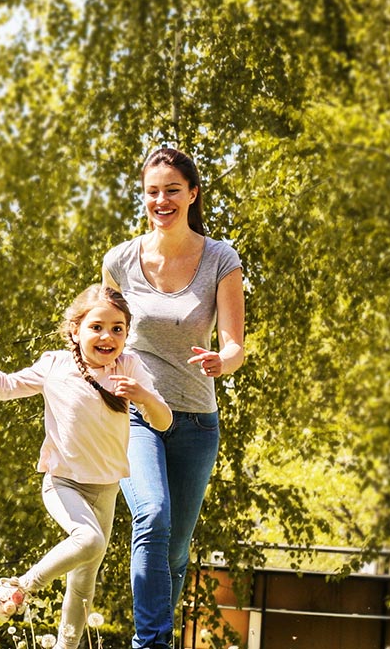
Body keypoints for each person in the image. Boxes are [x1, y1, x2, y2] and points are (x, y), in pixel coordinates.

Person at [0, 285, 171, 649]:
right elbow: (4, 387)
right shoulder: (55, 365)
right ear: (75, 330)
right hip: (63, 484)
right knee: (89, 539)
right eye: (97, 327)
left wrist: (142, 397)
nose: (107, 336)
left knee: (83, 582)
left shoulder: (129, 367)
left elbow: (163, 421)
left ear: (127, 334)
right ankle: (20, 586)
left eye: (118, 328)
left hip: (106, 489)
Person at [101, 146, 247, 649]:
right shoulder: (119, 260)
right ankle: (153, 643)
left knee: (176, 551)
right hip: (137, 410)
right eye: (152, 191)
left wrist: (220, 362)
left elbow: (234, 346)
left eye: (172, 190)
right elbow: (103, 334)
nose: (161, 200)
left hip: (195, 422)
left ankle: (159, 637)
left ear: (192, 194)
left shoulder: (220, 259)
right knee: (153, 515)